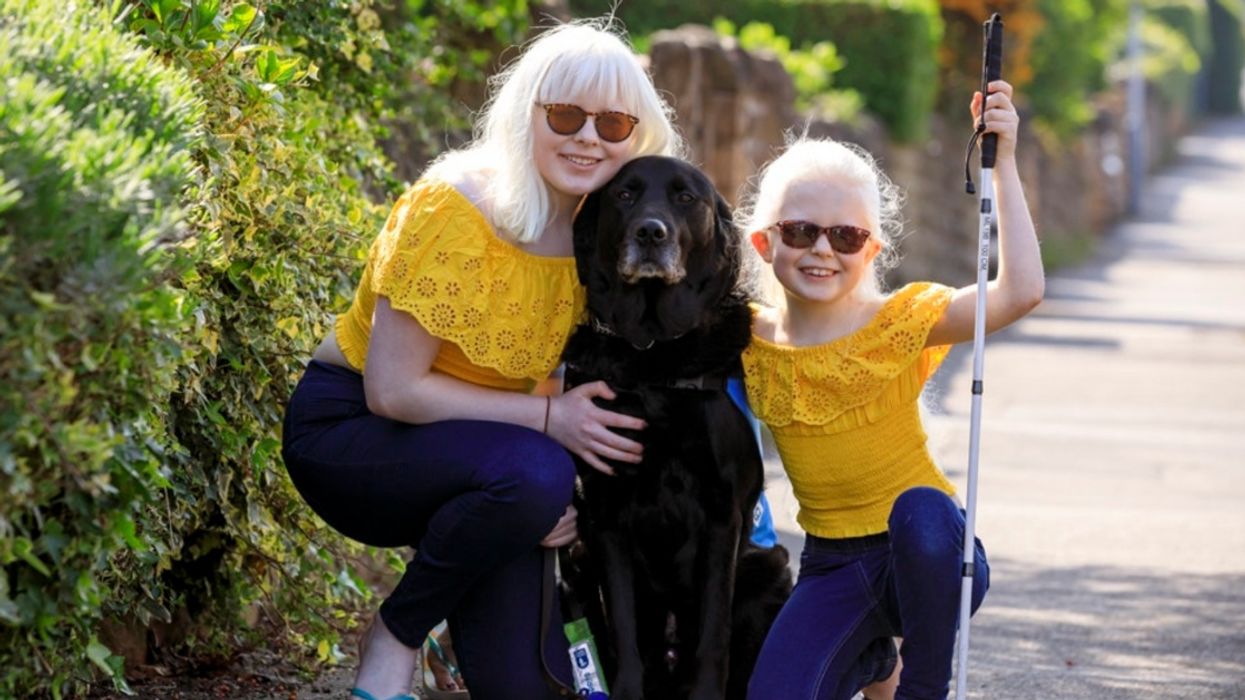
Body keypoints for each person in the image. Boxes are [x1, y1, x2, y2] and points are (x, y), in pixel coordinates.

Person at [280, 20, 686, 700]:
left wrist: (563, 495)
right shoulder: (456, 207)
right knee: (535, 470)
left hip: (493, 456)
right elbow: (393, 390)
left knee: (527, 685)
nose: (587, 137)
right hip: (353, 437)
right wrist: (549, 424)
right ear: (526, 113)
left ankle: (455, 628)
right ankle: (398, 632)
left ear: (636, 139)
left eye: (612, 124)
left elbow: (560, 370)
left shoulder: (603, 239)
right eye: (564, 114)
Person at [741, 81, 1043, 700]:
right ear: (765, 242)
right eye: (800, 231)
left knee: (921, 511)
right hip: (830, 566)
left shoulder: (897, 321)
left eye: (845, 236)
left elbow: (1019, 292)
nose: (822, 249)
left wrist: (1003, 159)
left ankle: (922, 686)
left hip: (932, 559)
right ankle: (875, 658)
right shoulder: (744, 336)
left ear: (871, 247)